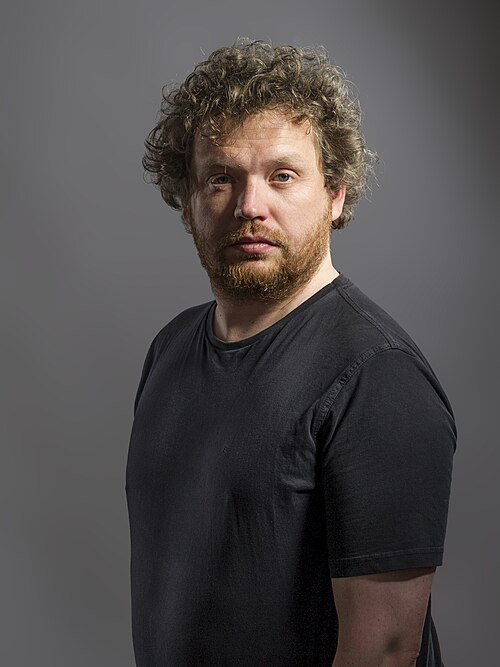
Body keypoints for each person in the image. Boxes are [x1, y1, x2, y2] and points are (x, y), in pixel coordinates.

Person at [126, 39, 456, 667]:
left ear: (335, 195)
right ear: (188, 204)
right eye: (221, 178)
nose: (250, 206)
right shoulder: (170, 349)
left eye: (283, 176)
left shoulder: (378, 377)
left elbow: (385, 651)